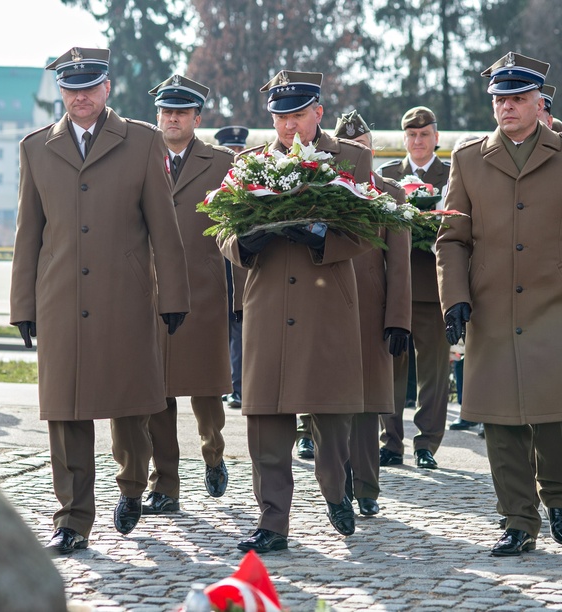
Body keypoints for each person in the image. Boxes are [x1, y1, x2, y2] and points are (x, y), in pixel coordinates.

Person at [437, 51, 562, 556]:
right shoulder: (469, 159)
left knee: (555, 418)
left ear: (540, 102)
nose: (507, 108)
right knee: (499, 424)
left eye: (518, 99)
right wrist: (453, 297)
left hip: (555, 308)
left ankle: (559, 498)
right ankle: (518, 519)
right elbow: (451, 239)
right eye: (500, 99)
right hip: (492, 309)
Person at [10, 47, 190, 555]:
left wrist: (173, 294)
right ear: (60, 92)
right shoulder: (36, 148)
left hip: (125, 296)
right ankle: (72, 518)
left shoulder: (142, 141)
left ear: (107, 89)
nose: (80, 96)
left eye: (90, 86)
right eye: (71, 88)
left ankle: (133, 484)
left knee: (128, 404)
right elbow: (29, 234)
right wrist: (23, 304)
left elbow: (164, 227)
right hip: (60, 297)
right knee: (65, 413)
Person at [219, 70, 374, 553]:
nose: (288, 125)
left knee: (330, 419)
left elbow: (369, 229)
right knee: (265, 420)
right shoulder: (249, 164)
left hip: (326, 303)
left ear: (318, 113)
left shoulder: (352, 159)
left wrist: (324, 236)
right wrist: (243, 241)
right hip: (268, 306)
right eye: (280, 116)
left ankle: (335, 488)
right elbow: (222, 231)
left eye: (297, 115)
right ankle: (273, 522)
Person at [140, 74, 234, 517]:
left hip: (203, 293)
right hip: (152, 293)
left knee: (205, 391)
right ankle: (166, 484)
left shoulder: (221, 163)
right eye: (165, 111)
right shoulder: (139, 157)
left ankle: (213, 454)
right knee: (157, 394)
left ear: (197, 118)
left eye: (180, 112)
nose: (171, 118)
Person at [333, 109, 411, 516]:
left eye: (363, 147)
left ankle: (366, 488)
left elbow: (399, 264)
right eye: (350, 148)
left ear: (373, 148)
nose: (357, 154)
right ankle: (336, 484)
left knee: (366, 405)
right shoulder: (323, 188)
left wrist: (398, 318)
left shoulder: (390, 193)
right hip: (326, 310)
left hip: (370, 311)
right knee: (330, 402)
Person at [377, 105, 457, 471]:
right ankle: (390, 442)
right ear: (404, 138)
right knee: (391, 368)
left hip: (433, 286)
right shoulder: (387, 176)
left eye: (425, 134)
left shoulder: (453, 174)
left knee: (434, 373)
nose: (418, 141)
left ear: (436, 137)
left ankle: (427, 443)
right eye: (412, 135)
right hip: (394, 287)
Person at [215, 125, 250, 410]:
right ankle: (227, 383)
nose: (236, 154)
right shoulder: (216, 175)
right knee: (223, 328)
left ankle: (238, 387)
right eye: (231, 150)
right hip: (217, 260)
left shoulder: (251, 175)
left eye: (239, 149)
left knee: (239, 326)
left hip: (241, 263)